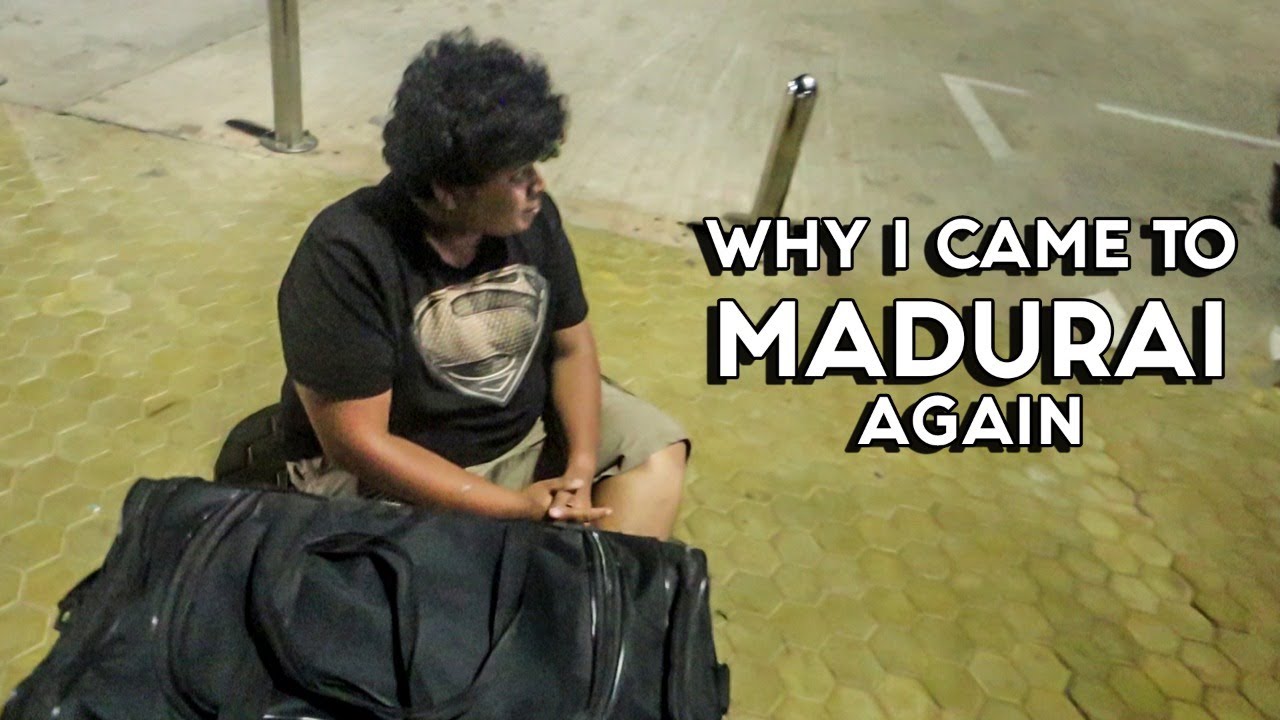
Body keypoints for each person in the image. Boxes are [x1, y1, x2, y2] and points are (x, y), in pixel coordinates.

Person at [274, 29, 688, 540]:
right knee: (440, 568)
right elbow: (358, 444)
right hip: (404, 465)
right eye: (516, 175)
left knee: (654, 453)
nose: (538, 186)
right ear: (449, 190)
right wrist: (513, 508)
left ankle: (595, 586)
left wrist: (579, 468)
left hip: (520, 431)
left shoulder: (531, 219)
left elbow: (572, 348)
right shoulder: (347, 253)